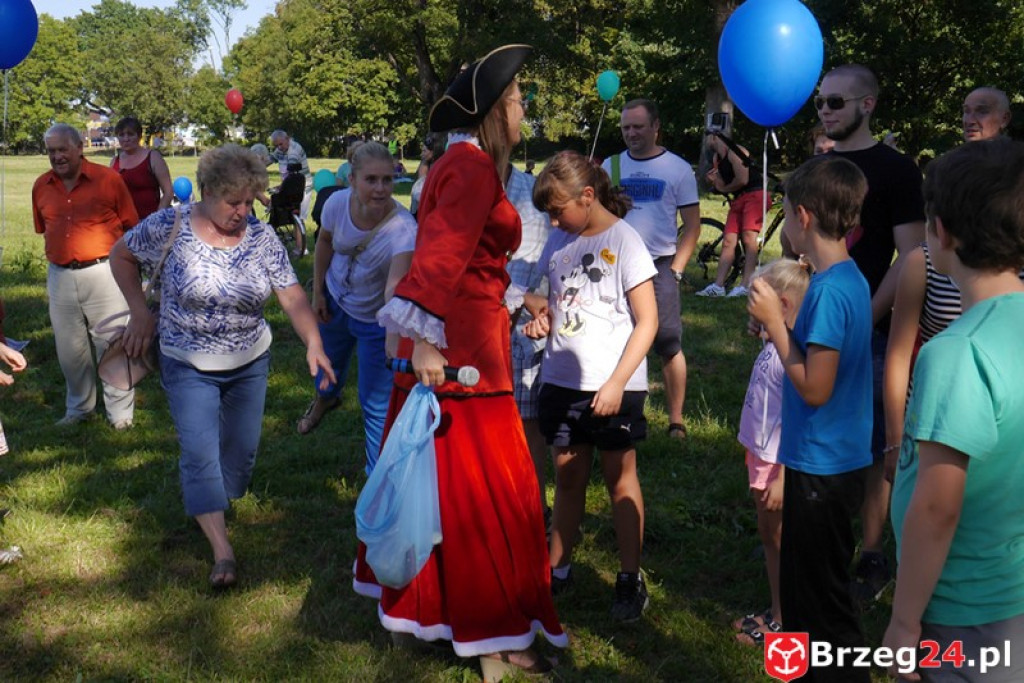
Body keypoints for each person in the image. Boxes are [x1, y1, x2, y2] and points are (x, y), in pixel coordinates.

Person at [357, 44, 567, 679]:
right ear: (495, 110)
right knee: (485, 492)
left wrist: (512, 297)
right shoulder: (471, 168)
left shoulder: (462, 165)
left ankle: (443, 612)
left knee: (448, 484)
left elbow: (468, 260)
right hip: (459, 354)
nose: (525, 106)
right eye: (518, 98)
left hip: (467, 337)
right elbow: (440, 254)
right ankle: (494, 631)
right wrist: (424, 339)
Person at [108, 143, 334, 589]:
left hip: (249, 358)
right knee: (198, 452)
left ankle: (217, 496)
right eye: (234, 202)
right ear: (206, 191)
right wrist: (139, 311)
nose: (242, 211)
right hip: (185, 358)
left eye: (250, 201)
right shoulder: (170, 224)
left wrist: (313, 342)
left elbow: (290, 295)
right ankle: (221, 548)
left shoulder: (262, 237)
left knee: (240, 456)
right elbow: (122, 254)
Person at [883, 139, 1024, 683]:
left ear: (940, 231)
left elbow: (937, 509)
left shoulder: (955, 352)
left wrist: (902, 622)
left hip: (965, 613)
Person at [747, 155, 872, 682]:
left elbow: (815, 388)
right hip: (834, 460)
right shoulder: (850, 278)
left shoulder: (826, 292)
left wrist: (776, 323)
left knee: (820, 608)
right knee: (806, 598)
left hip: (822, 467)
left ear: (802, 216)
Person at [524, 150, 657, 622]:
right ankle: (558, 568)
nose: (554, 220)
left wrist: (618, 383)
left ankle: (629, 578)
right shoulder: (560, 240)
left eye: (558, 210)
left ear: (587, 195)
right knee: (568, 475)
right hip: (560, 380)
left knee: (619, 479)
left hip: (613, 386)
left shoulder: (626, 242)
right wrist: (540, 316)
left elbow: (648, 321)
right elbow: (557, 301)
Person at [816, 64, 926, 603]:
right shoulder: (819, 164)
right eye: (820, 103)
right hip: (817, 323)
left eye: (836, 101)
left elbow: (911, 258)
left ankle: (874, 551)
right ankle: (823, 536)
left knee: (878, 442)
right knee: (823, 435)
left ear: (868, 105)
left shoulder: (897, 170)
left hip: (876, 329)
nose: (826, 111)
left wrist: (866, 318)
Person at [883, 86, 1018, 486]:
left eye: (982, 110)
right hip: (932, 427)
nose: (969, 118)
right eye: (964, 110)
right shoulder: (924, 261)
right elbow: (898, 354)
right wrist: (895, 441)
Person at [297, 142, 417, 474]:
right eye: (371, 180)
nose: (380, 189)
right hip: (335, 303)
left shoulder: (404, 230)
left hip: (374, 320)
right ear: (352, 179)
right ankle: (325, 401)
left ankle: (376, 478)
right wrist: (318, 292)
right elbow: (323, 242)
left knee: (376, 402)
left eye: (387, 180)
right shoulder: (336, 202)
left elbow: (395, 287)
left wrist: (393, 334)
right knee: (326, 372)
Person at [602, 98, 700, 440]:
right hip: (615, 265)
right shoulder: (610, 165)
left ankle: (676, 419)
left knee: (668, 342)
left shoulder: (677, 168)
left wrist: (676, 269)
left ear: (656, 127)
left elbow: (692, 225)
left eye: (638, 127)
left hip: (659, 267)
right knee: (617, 339)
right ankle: (619, 406)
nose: (631, 134)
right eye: (626, 127)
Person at [32, 123, 140, 429]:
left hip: (105, 271)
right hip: (61, 274)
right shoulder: (41, 186)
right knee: (69, 348)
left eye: (62, 149)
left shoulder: (109, 180)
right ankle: (79, 409)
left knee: (113, 342)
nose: (57, 156)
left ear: (79, 147)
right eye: (51, 151)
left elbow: (132, 226)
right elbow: (44, 227)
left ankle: (121, 415)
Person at [732, 258, 810, 646]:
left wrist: (782, 474)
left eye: (755, 300)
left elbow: (798, 421)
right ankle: (779, 608)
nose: (750, 306)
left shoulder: (795, 356)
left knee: (780, 539)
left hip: (777, 462)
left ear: (781, 304)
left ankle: (784, 622)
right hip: (761, 454)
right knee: (769, 535)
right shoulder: (778, 342)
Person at [697, 132, 767, 297]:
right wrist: (714, 181)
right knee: (729, 241)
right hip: (738, 199)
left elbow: (742, 180)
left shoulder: (736, 152)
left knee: (749, 239)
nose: (705, 141)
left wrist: (722, 188)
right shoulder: (717, 158)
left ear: (715, 137)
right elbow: (721, 183)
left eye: (707, 136)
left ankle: (746, 284)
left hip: (754, 195)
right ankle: (718, 285)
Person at [111, 116, 173, 220]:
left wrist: (156, 218)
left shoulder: (153, 157)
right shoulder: (114, 162)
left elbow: (168, 192)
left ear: (139, 136)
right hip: (123, 224)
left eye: (130, 134)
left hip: (150, 223)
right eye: (121, 135)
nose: (126, 139)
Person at [268, 130, 313, 223]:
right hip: (290, 184)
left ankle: (299, 236)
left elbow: (291, 175)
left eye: (280, 144)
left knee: (298, 218)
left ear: (287, 139)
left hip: (302, 186)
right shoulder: (281, 148)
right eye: (276, 146)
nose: (279, 148)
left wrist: (281, 187)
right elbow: (269, 160)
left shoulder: (294, 151)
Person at [409, 135, 444, 217]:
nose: (421, 154)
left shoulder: (440, 168)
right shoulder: (425, 164)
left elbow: (420, 194)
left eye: (424, 151)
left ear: (433, 152)